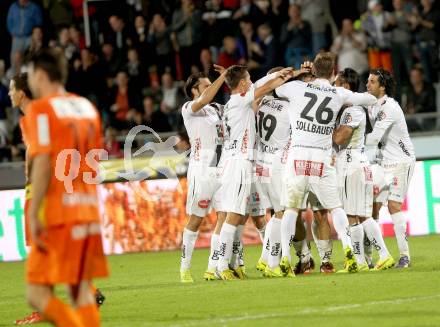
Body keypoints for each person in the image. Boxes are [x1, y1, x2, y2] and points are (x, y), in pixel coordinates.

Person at [24, 48, 108, 326]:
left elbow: (45, 162)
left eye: (30, 76)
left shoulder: (41, 109)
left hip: (59, 214)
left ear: (40, 74)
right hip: (86, 209)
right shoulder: (86, 107)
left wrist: (34, 212)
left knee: (36, 292)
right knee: (81, 290)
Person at [274, 52, 377, 276]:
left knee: (291, 209)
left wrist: (300, 76)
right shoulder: (339, 93)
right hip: (322, 157)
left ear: (313, 70)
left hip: (298, 155)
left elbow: (276, 87)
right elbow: (369, 99)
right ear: (332, 73)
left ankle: (284, 257)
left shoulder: (296, 88)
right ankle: (349, 252)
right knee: (335, 208)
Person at [216, 65, 300, 280]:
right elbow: (265, 86)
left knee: (236, 214)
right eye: (249, 79)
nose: (252, 82)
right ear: (243, 84)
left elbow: (261, 84)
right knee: (234, 214)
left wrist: (282, 75)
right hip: (239, 163)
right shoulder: (241, 99)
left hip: (236, 161)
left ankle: (228, 264)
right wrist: (284, 77)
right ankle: (222, 266)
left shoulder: (234, 102)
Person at [333, 68, 395, 272]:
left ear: (346, 87)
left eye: (337, 84)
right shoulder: (351, 109)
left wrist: (324, 131)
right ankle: (364, 260)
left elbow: (340, 138)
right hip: (355, 163)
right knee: (358, 215)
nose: (333, 88)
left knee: (358, 216)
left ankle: (379, 256)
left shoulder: (353, 110)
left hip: (352, 165)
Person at [179, 65, 227, 282]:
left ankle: (213, 266)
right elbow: (205, 99)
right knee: (196, 219)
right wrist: (223, 77)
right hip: (202, 170)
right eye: (206, 86)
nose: (211, 88)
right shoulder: (189, 108)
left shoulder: (217, 108)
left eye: (211, 84)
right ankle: (185, 267)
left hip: (222, 168)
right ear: (194, 91)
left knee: (224, 217)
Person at [365, 68, 416, 268]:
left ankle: (405, 256)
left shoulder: (389, 107)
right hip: (382, 162)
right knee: (369, 206)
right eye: (367, 81)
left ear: (382, 86)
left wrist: (348, 139)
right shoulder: (371, 105)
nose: (367, 85)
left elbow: (374, 138)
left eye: (372, 82)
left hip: (401, 161)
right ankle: (369, 257)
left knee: (394, 205)